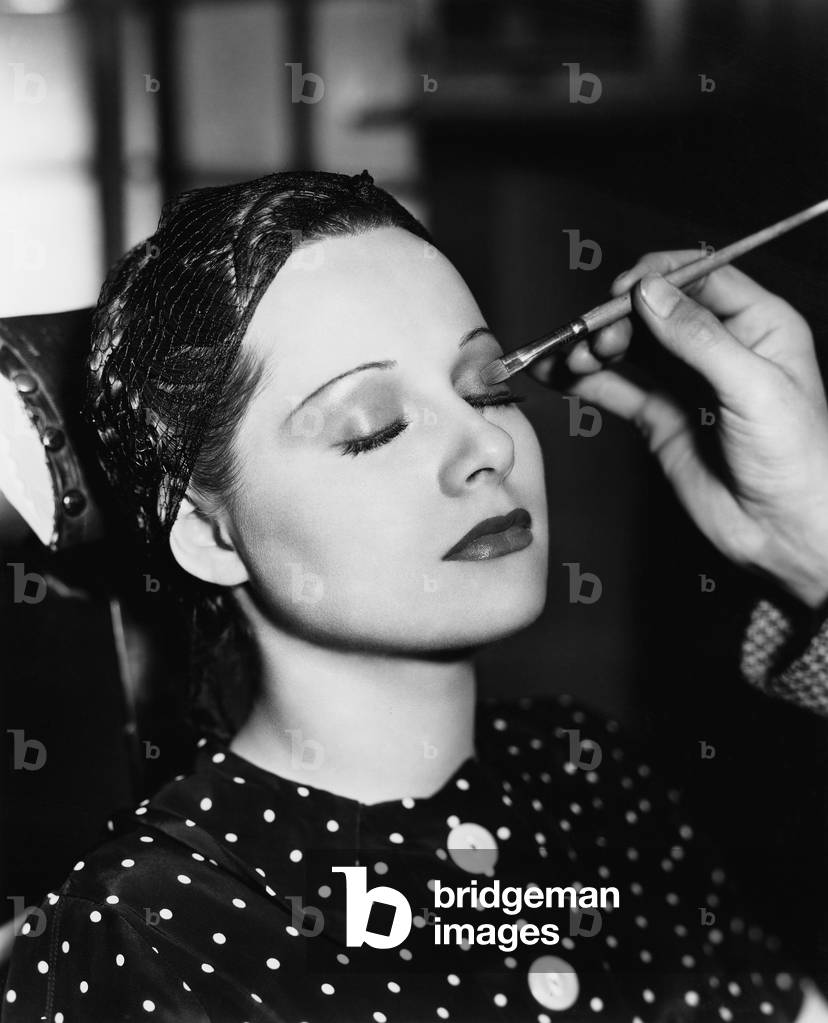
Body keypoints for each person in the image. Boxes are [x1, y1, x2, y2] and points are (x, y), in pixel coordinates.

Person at [2, 170, 827, 1022]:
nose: (485, 445)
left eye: (489, 387)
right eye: (374, 427)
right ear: (213, 534)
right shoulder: (144, 930)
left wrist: (813, 550)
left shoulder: (587, 771)